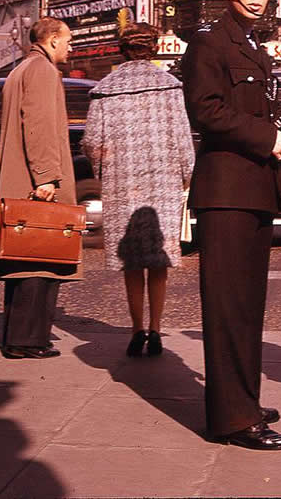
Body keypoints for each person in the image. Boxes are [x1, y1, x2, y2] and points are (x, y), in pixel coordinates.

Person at [181, 0, 281, 451]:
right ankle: (231, 418)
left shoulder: (253, 46)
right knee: (229, 307)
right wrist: (266, 136)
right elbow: (206, 111)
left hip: (254, 191)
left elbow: (252, 109)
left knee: (249, 306)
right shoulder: (209, 42)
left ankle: (243, 398)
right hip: (226, 192)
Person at [82, 21, 194, 357]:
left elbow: (91, 143)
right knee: (157, 260)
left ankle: (136, 329)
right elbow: (184, 141)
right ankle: (157, 329)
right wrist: (185, 176)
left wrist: (105, 171)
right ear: (154, 48)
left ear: (122, 49)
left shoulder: (105, 89)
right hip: (163, 184)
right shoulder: (171, 87)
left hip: (122, 184)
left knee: (131, 261)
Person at [0, 16, 80, 359]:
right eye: (68, 39)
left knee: (22, 259)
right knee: (40, 259)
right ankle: (27, 341)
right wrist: (45, 176)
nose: (71, 46)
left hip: (19, 176)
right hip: (34, 180)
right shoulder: (42, 71)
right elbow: (39, 126)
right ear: (53, 39)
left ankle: (20, 337)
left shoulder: (20, 69)